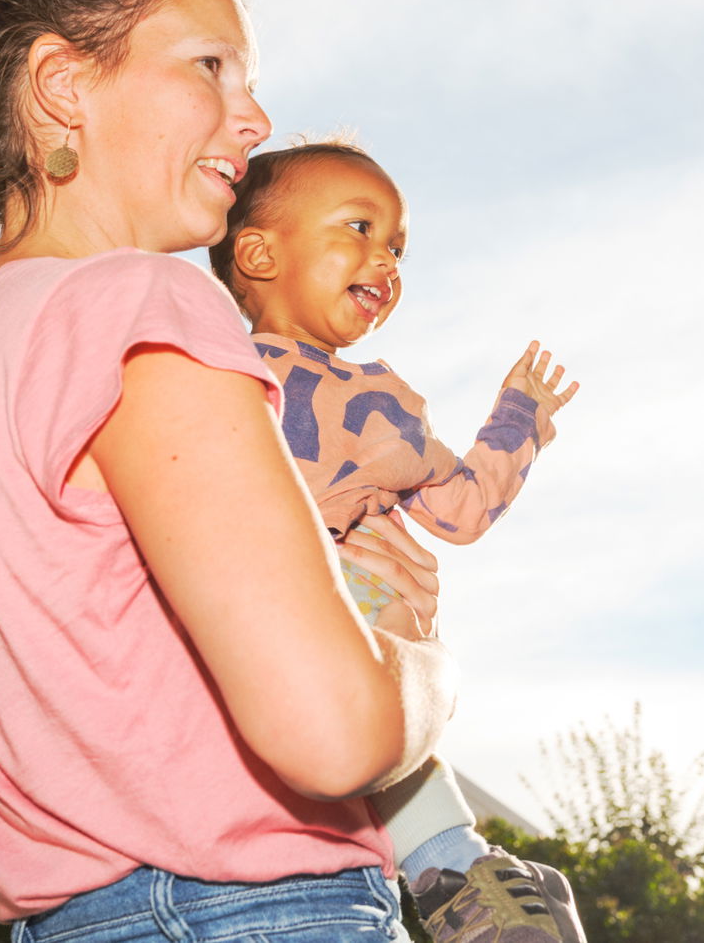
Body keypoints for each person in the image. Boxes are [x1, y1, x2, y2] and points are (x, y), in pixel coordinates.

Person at [0, 0, 457, 943]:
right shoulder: (141, 304)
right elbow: (335, 733)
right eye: (210, 66)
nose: (253, 118)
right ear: (63, 84)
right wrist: (422, 661)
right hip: (258, 913)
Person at [209, 142, 587, 943]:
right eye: (360, 228)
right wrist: (514, 425)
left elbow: (457, 511)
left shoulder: (351, 396)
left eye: (397, 248)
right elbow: (462, 511)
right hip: (304, 605)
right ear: (260, 254)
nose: (385, 259)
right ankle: (463, 876)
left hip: (320, 613)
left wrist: (517, 419)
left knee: (369, 731)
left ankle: (459, 873)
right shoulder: (237, 377)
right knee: (366, 728)